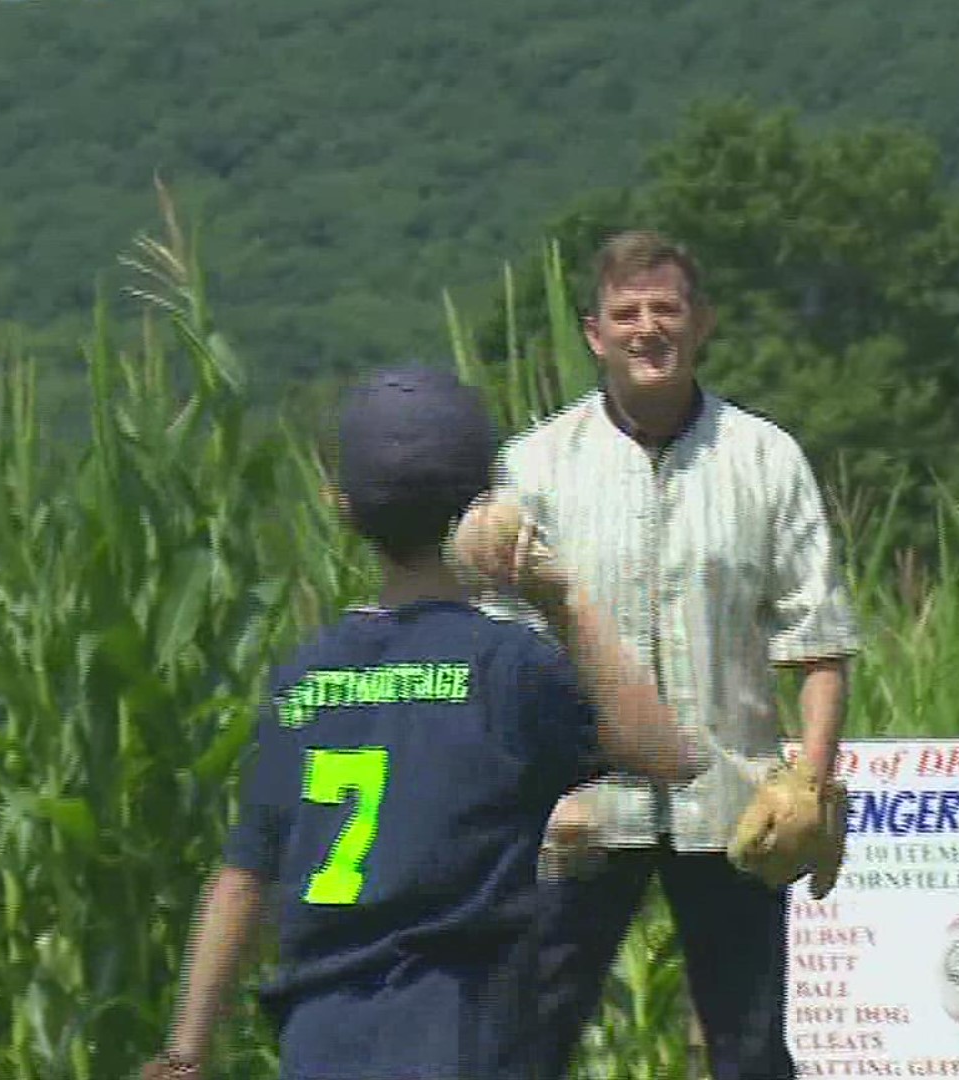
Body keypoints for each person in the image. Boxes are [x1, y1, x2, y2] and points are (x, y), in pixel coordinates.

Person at [139, 366, 708, 1080]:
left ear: (342, 509)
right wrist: (562, 599)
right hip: (463, 1031)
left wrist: (185, 1051)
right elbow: (666, 754)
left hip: (322, 1037)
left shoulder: (306, 677)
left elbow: (243, 879)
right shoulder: (509, 669)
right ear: (484, 503)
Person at [486, 230, 861, 1079]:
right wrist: (524, 791)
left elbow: (821, 640)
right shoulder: (536, 466)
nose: (647, 329)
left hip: (732, 808)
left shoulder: (765, 460)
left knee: (753, 1050)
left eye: (667, 309)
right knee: (525, 1042)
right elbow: (498, 646)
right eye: (627, 313)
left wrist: (810, 782)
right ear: (594, 333)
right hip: (582, 808)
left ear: (703, 324)